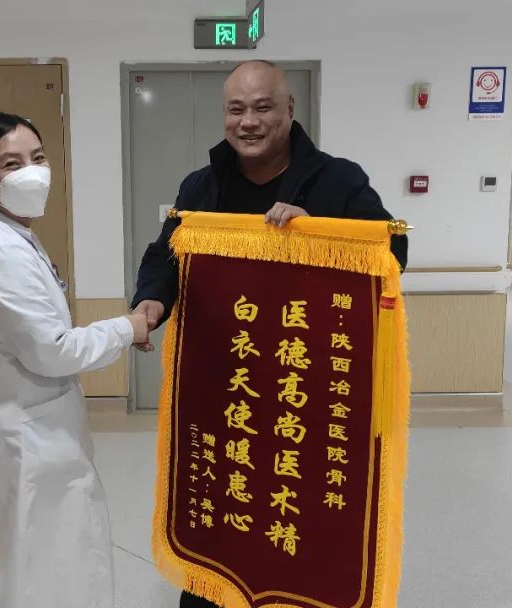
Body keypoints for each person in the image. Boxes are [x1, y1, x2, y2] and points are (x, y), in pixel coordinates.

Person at [130, 61, 409, 607]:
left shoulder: (338, 180)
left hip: (301, 395)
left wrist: (318, 233)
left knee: (293, 522)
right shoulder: (201, 184)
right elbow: (166, 252)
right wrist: (151, 300)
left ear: (289, 110)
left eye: (263, 107)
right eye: (236, 109)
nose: (249, 122)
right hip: (223, 391)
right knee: (221, 516)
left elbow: (393, 249)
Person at [0, 112, 149, 608]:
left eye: (38, 158)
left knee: (20, 560)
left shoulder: (11, 236)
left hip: (24, 424)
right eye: (12, 164)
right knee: (40, 568)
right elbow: (51, 350)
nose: (33, 173)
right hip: (28, 440)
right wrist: (127, 328)